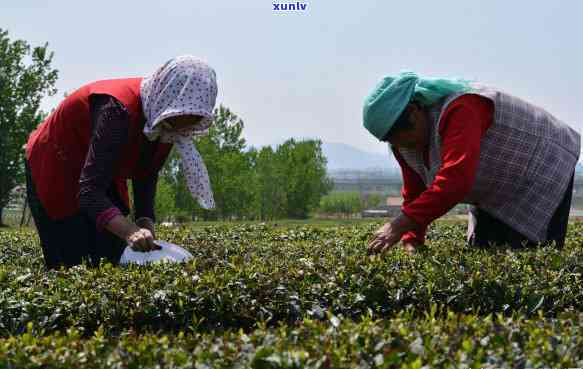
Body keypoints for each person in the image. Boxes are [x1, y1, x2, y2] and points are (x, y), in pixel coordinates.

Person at [25, 56, 217, 269]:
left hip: (101, 170)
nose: (180, 128)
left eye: (191, 121)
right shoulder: (116, 109)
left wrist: (145, 221)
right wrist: (130, 231)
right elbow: (89, 192)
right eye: (177, 119)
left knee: (110, 255)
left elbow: (146, 172)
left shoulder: (166, 122)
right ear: (167, 97)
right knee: (71, 258)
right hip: (57, 162)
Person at [363, 71, 580, 254]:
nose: (404, 145)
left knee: (531, 254)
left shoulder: (462, 109)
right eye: (392, 141)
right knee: (484, 252)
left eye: (404, 136)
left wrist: (399, 224)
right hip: (495, 185)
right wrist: (412, 240)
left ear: (415, 111)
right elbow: (415, 190)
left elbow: (455, 181)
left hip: (543, 167)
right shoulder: (401, 144)